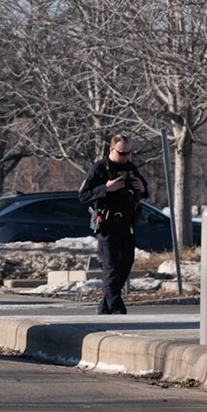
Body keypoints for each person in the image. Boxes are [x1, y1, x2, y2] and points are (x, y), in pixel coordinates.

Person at [79, 133, 150, 314]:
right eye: (121, 153)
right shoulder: (100, 169)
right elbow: (83, 195)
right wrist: (106, 188)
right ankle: (117, 308)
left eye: (128, 153)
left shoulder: (131, 167)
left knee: (126, 263)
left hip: (127, 224)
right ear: (111, 149)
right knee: (111, 266)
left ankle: (105, 306)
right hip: (108, 224)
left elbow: (143, 190)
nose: (125, 157)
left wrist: (142, 189)